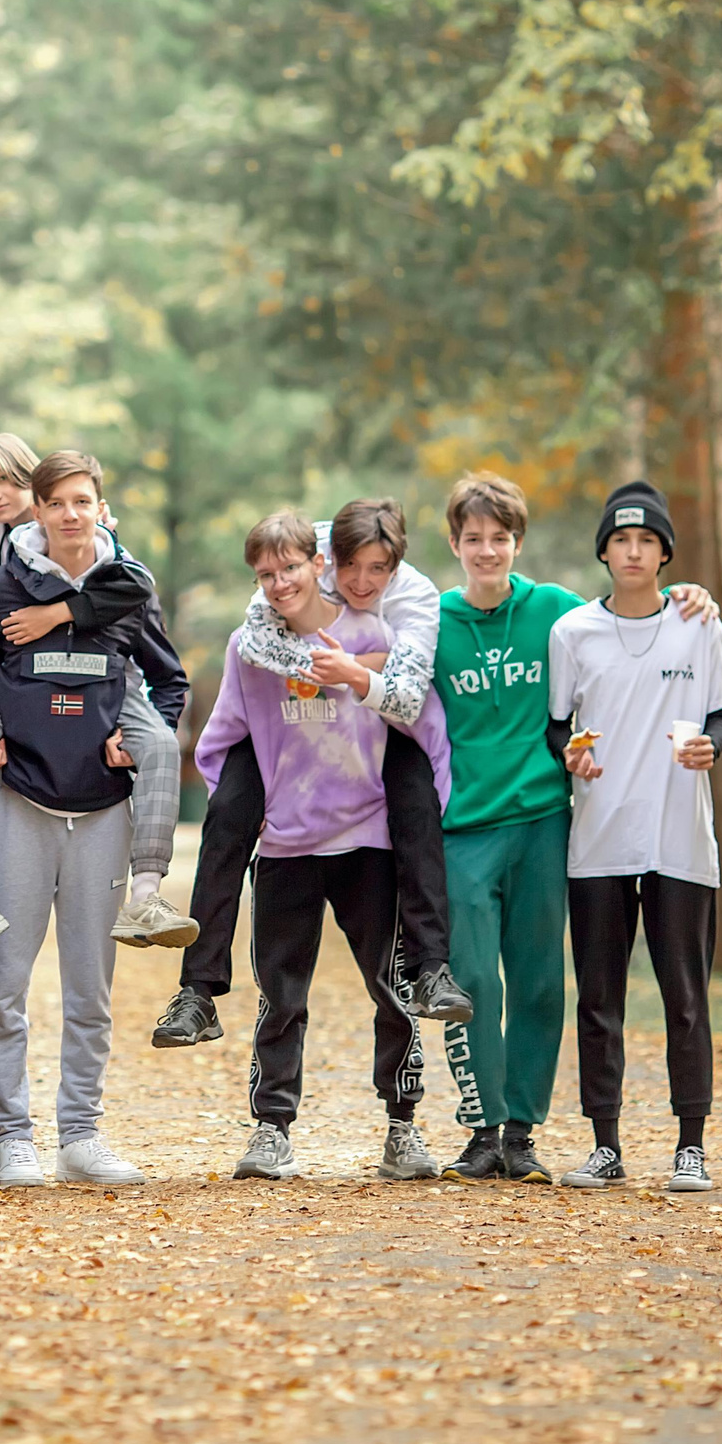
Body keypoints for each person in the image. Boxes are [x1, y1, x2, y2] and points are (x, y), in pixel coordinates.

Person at [429, 472, 716, 1184]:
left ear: (518, 542)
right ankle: (480, 1128)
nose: (488, 550)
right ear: (455, 544)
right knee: (472, 981)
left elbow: (625, 627)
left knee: (538, 981)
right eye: (474, 538)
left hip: (542, 820)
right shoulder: (431, 621)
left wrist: (694, 593)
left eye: (500, 538)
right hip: (463, 823)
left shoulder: (556, 615)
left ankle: (520, 1133)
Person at [0, 450, 189, 1188]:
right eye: (59, 502)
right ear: (39, 509)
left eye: (84, 500)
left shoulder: (127, 586)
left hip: (104, 814)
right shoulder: (0, 584)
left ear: (99, 507)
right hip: (21, 804)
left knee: (91, 988)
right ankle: (14, 1134)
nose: (72, 513)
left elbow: (170, 678)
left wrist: (136, 743)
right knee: (6, 986)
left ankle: (79, 1133)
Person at [196, 506, 455, 1183]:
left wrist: (426, 814)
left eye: (291, 566)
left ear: (315, 565)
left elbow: (424, 725)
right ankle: (271, 1128)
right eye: (267, 573)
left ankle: (403, 1126)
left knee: (392, 987)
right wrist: (252, 807)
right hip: (287, 844)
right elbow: (224, 736)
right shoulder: (249, 644)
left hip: (368, 839)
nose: (281, 580)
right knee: (280, 993)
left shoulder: (380, 630)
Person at [149, 505, 468, 1050]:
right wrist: (346, 662)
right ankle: (198, 991)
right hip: (284, 722)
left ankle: (431, 967)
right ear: (327, 561)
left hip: (385, 719)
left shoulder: (414, 598)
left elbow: (410, 695)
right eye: (350, 567)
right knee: (228, 811)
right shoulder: (294, 563)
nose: (362, 581)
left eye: (378, 569)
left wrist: (357, 669)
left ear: (396, 565)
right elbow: (255, 638)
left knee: (413, 803)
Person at [0, 437, 196, 950]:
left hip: (101, 690)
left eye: (5, 482)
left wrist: (57, 613)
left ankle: (147, 893)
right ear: (41, 507)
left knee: (161, 745)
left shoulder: (102, 544)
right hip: (8, 684)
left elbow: (135, 591)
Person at [545, 481, 722, 1195]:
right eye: (621, 540)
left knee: (685, 995)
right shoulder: (572, 633)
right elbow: (557, 726)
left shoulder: (699, 624)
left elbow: (719, 717)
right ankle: (605, 1143)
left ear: (664, 554)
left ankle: (691, 1145)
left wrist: (710, 748)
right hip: (598, 839)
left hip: (680, 838)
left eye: (646, 541)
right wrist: (572, 753)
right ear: (604, 551)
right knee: (599, 996)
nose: (632, 550)